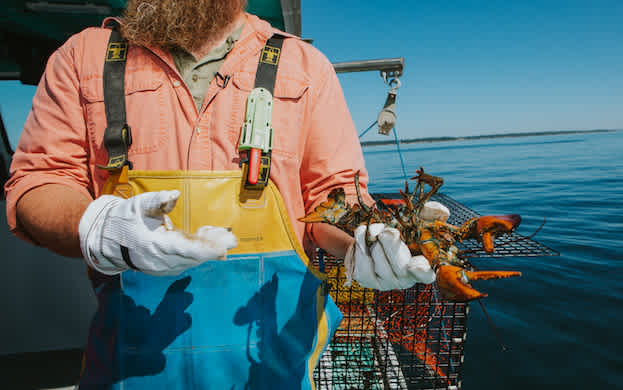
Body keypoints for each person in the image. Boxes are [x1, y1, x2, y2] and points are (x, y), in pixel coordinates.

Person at [4, 0, 435, 388]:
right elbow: (37, 184)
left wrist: (367, 240)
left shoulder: (304, 66)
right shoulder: (82, 57)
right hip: (127, 372)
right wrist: (95, 225)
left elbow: (336, 192)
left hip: (274, 371)